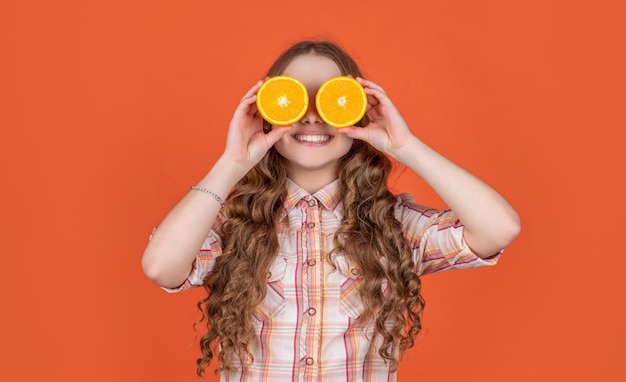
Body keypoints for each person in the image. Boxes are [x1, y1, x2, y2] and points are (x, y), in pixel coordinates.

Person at [142, 40, 520, 381]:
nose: (311, 115)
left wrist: (405, 146)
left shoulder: (392, 226)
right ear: (267, 109)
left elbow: (498, 228)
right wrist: (231, 162)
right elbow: (161, 266)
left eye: (330, 98)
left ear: (355, 110)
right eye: (293, 99)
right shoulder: (233, 224)